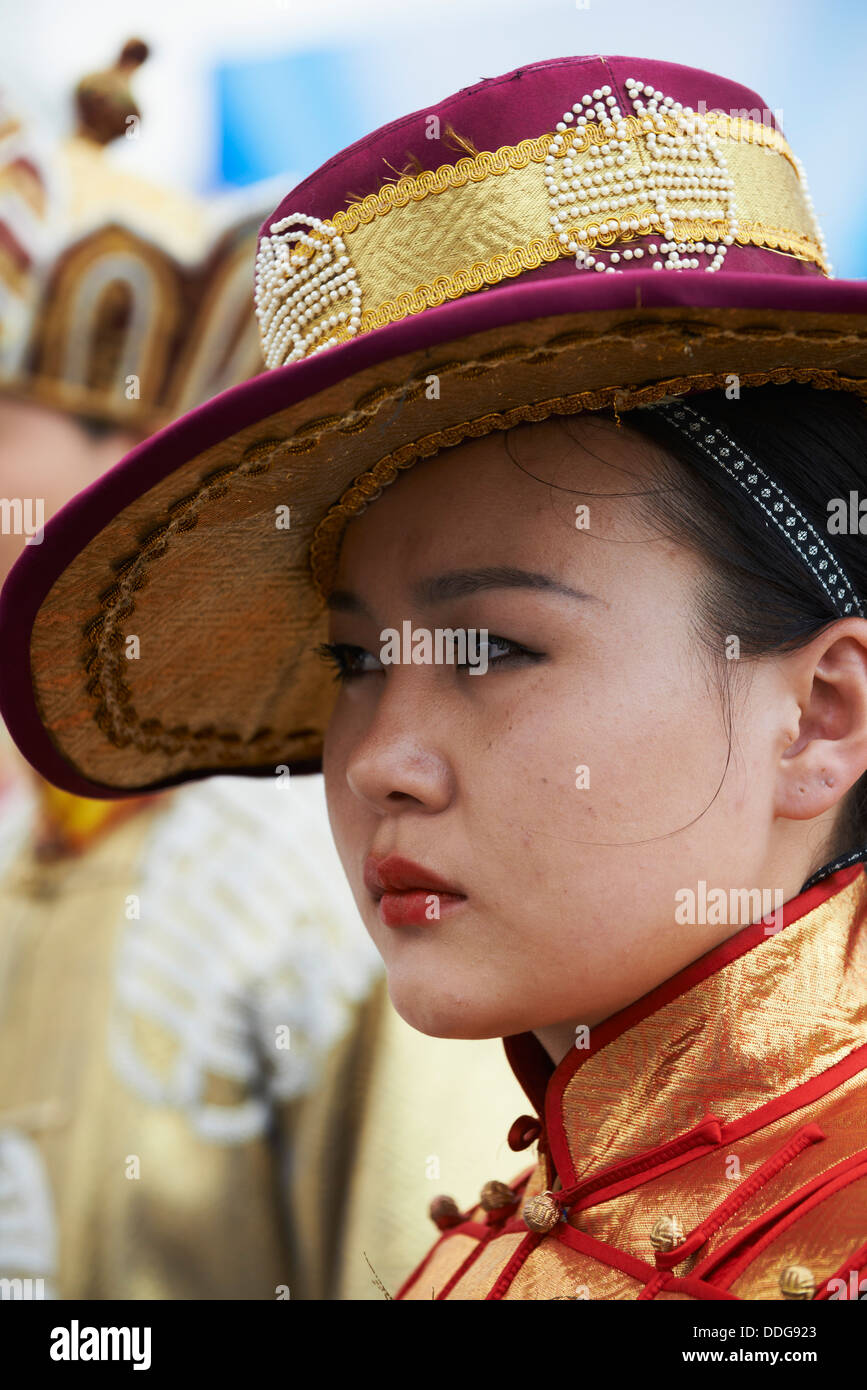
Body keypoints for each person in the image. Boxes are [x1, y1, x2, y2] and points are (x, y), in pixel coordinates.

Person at [3, 51, 866, 1301]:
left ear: (820, 717)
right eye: (354, 659)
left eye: (491, 648)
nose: (372, 759)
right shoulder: (528, 1220)